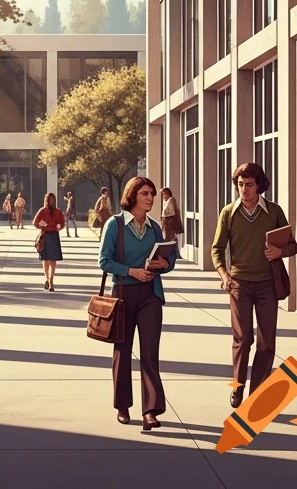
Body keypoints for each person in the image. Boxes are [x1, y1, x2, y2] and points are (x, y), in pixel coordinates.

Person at [211, 161, 297, 407]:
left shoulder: (274, 211)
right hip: (239, 284)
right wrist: (224, 275)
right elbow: (217, 248)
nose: (244, 190)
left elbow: (294, 245)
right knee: (243, 339)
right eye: (240, 185)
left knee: (267, 341)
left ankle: (257, 393)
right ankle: (238, 387)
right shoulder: (228, 212)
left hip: (268, 285)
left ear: (259, 185)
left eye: (249, 185)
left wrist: (279, 251)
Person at [98, 175, 177, 434]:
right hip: (122, 295)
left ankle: (150, 411)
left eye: (152, 194)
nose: (150, 198)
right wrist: (132, 271)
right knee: (122, 351)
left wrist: (163, 264)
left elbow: (171, 258)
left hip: (150, 295)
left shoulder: (155, 227)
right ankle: (122, 405)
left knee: (150, 353)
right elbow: (104, 261)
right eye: (145, 193)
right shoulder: (115, 225)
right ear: (132, 196)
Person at [33, 192, 65, 290]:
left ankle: (51, 281)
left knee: (53, 260)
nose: (51, 201)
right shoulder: (42, 211)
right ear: (46, 200)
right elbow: (35, 222)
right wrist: (41, 226)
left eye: (53, 199)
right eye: (49, 199)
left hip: (54, 236)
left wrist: (59, 227)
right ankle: (47, 279)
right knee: (45, 259)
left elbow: (63, 223)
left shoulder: (58, 212)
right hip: (45, 236)